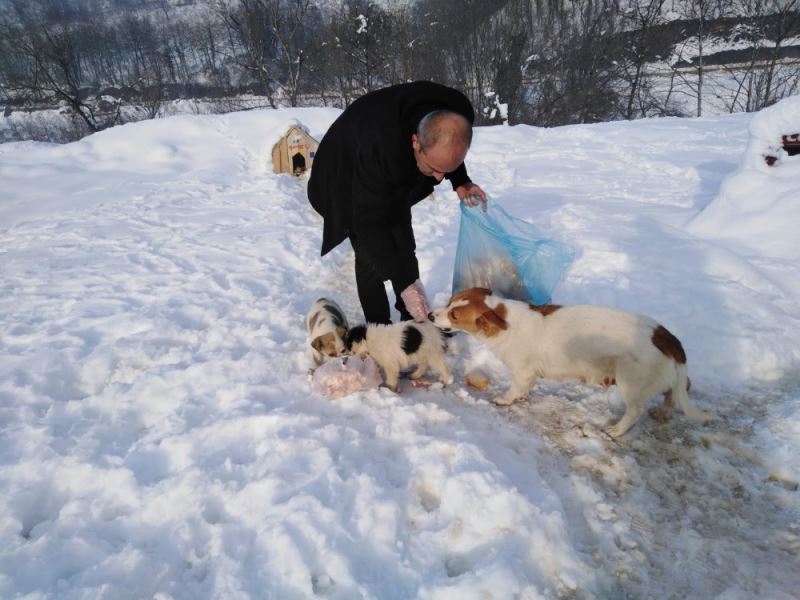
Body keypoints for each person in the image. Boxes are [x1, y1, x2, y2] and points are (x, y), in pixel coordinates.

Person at [307, 81, 488, 325]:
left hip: (391, 155)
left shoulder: (456, 113)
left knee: (402, 236)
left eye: (445, 171)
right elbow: (370, 223)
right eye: (434, 169)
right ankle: (378, 325)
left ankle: (412, 319)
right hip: (344, 169)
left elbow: (446, 150)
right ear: (415, 141)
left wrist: (461, 180)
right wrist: (405, 285)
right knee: (370, 253)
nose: (438, 178)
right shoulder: (380, 149)